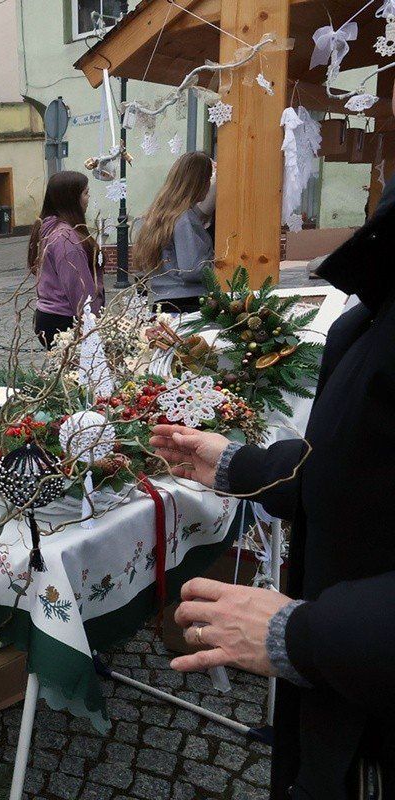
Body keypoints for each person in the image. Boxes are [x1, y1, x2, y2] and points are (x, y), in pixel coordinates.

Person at [149, 177, 395, 799]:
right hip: (342, 704)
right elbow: (361, 469)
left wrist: (307, 635)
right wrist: (244, 467)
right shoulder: (377, 302)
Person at [26, 170, 101, 348]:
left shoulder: (50, 229)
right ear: (72, 199)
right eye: (85, 193)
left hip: (50, 316)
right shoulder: (65, 238)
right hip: (64, 319)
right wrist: (94, 323)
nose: (88, 198)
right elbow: (79, 287)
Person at [135, 151, 216, 314]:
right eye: (207, 179)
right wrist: (219, 265)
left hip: (163, 302)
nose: (209, 185)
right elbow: (191, 270)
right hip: (189, 305)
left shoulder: (156, 216)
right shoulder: (184, 218)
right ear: (198, 182)